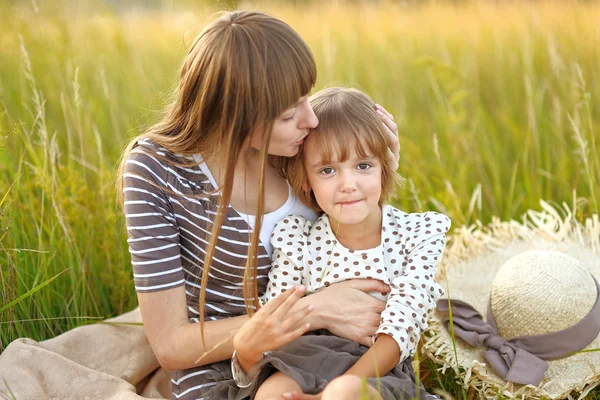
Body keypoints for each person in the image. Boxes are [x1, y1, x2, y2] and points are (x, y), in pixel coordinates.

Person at [118, 11, 401, 400]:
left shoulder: (296, 148)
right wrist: (312, 311)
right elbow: (170, 344)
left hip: (335, 356)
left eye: (305, 98)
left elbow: (354, 242)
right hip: (228, 376)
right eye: (288, 114)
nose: (311, 118)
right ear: (234, 118)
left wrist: (377, 174)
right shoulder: (158, 172)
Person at [232, 87, 451, 400]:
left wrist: (329, 395)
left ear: (384, 166)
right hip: (301, 361)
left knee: (344, 394)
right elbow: (276, 317)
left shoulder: (415, 234)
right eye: (328, 170)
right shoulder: (297, 238)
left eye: (363, 166)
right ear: (306, 178)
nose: (348, 185)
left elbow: (401, 327)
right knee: (272, 395)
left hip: (375, 367)